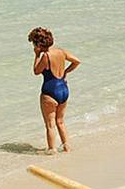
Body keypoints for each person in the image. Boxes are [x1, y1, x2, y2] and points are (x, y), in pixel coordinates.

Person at [27, 27, 80, 155]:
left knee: (50, 125)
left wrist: (36, 55)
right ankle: (67, 147)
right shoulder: (61, 52)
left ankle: (52, 150)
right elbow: (77, 61)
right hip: (63, 90)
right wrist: (66, 71)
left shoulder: (45, 56)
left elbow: (36, 71)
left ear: (38, 44)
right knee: (60, 122)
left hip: (50, 92)